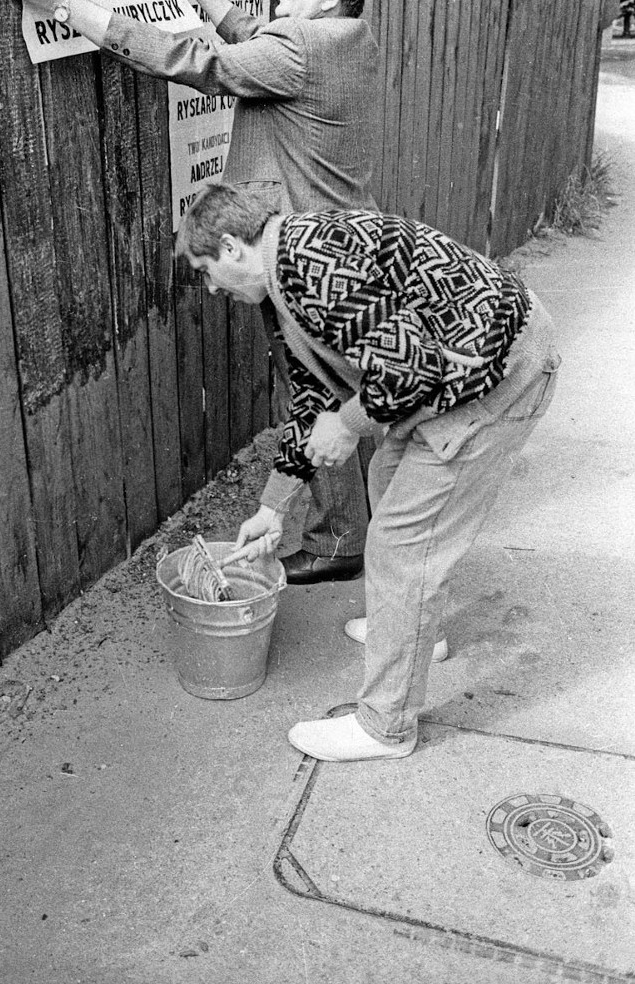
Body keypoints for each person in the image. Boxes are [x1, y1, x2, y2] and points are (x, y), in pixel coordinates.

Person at [10, 0, 379, 585]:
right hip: (339, 243)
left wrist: (63, 1)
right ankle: (345, 531)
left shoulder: (298, 46)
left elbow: (194, 61)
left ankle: (341, 541)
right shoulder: (348, 36)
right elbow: (257, 40)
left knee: (319, 392)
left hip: (297, 259)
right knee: (333, 387)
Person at [174, 183, 560, 763]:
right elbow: (312, 397)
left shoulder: (311, 257)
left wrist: (350, 422)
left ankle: (385, 725)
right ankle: (409, 634)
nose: (211, 288)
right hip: (456, 377)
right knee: (388, 481)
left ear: (231, 248)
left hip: (499, 377)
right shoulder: (280, 288)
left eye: (205, 271)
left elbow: (407, 367)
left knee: (405, 542)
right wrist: (272, 507)